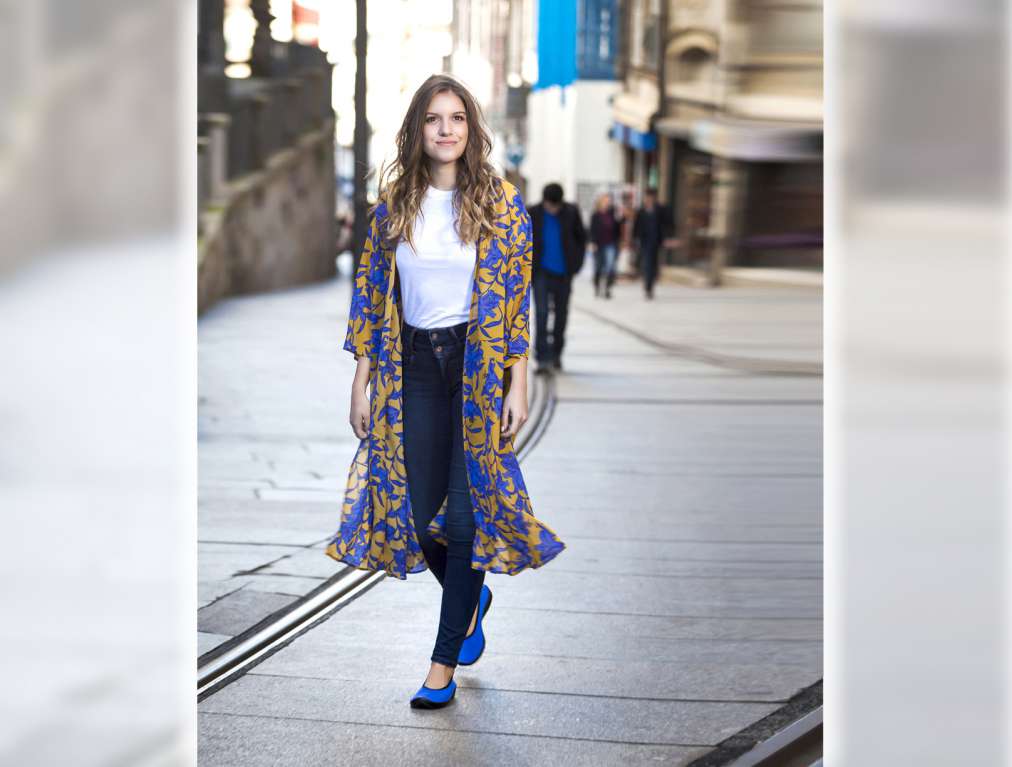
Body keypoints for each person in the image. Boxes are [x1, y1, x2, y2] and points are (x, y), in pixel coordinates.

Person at [324, 74, 566, 711]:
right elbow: (371, 297)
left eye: (456, 117)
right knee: (410, 511)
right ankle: (471, 597)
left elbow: (515, 299)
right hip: (413, 368)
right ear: (417, 129)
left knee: (464, 522)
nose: (446, 129)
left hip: (477, 369)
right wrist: (361, 381)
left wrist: (518, 382)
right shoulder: (393, 207)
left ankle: (441, 665)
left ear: (471, 128)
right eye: (434, 118)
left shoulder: (500, 204)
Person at [527, 183, 587, 372]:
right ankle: (542, 358)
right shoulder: (533, 213)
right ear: (544, 201)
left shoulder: (571, 213)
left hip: (563, 274)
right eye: (550, 206)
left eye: (556, 206)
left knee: (561, 315)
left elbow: (582, 239)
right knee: (541, 314)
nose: (553, 210)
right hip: (541, 273)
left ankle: (556, 354)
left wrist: (576, 265)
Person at [633, 188, 674, 300]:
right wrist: (635, 239)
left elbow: (668, 223)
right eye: (647, 197)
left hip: (656, 242)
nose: (648, 199)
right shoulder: (641, 211)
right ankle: (648, 287)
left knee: (654, 265)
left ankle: (650, 285)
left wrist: (668, 238)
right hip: (645, 242)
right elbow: (636, 227)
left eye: (650, 197)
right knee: (647, 264)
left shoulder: (660, 209)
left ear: (654, 198)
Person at [588, 193, 623, 298]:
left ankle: (608, 288)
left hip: (611, 244)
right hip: (598, 244)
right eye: (605, 201)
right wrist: (592, 242)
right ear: (600, 202)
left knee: (610, 266)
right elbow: (591, 230)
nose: (607, 203)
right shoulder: (595, 215)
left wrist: (620, 218)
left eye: (609, 201)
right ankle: (597, 286)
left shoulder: (613, 214)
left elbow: (618, 228)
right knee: (598, 267)